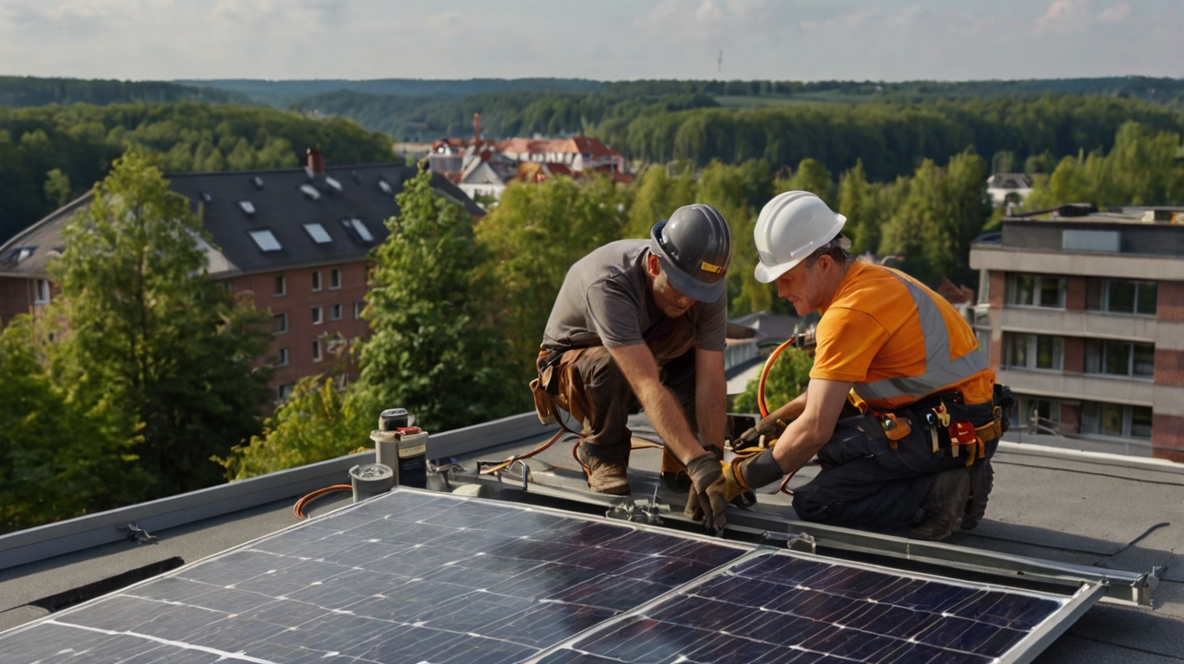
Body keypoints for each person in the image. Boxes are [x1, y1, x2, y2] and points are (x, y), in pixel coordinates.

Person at [704, 191, 1010, 541]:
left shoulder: (848, 314)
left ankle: (943, 495)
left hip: (950, 427)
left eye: (786, 278)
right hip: (957, 415)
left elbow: (816, 427)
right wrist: (779, 420)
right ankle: (938, 477)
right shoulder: (868, 280)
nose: (780, 292)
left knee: (817, 501)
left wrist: (737, 478)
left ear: (822, 264)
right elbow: (834, 391)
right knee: (827, 445)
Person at [530, 204, 734, 521]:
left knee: (696, 356)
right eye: (683, 288)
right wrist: (698, 463)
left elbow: (710, 381)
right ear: (654, 264)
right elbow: (644, 381)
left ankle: (680, 459)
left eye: (700, 292)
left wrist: (712, 460)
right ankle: (602, 451)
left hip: (648, 352)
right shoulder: (611, 282)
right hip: (576, 366)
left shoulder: (705, 288)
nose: (689, 299)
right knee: (608, 363)